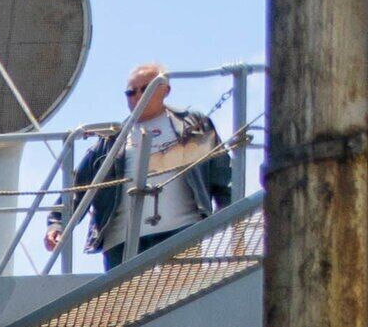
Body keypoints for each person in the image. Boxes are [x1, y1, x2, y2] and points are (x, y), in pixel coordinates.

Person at [46, 63, 237, 267]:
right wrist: (57, 224)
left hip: (182, 231)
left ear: (166, 90)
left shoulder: (194, 125)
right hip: (122, 242)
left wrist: (232, 217)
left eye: (145, 89)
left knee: (182, 297)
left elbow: (222, 173)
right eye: (131, 92)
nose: (137, 96)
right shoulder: (111, 139)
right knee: (125, 299)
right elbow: (79, 187)